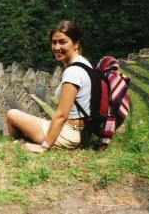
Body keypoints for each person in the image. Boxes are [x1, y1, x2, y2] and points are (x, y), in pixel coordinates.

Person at [6, 20, 92, 152]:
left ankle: (16, 145)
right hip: (79, 131)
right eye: (54, 42)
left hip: (68, 134)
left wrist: (44, 146)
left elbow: (62, 115)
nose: (57, 47)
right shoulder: (83, 63)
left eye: (62, 42)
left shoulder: (73, 73)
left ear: (76, 44)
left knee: (11, 114)